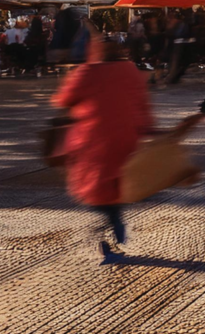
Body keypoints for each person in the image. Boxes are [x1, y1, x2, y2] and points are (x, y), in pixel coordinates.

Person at [51, 30, 153, 264]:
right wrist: (147, 128)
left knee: (96, 190)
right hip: (126, 138)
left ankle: (108, 229)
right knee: (117, 185)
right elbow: (142, 101)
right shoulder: (129, 69)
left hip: (93, 142)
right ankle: (115, 221)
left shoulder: (87, 71)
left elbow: (63, 99)